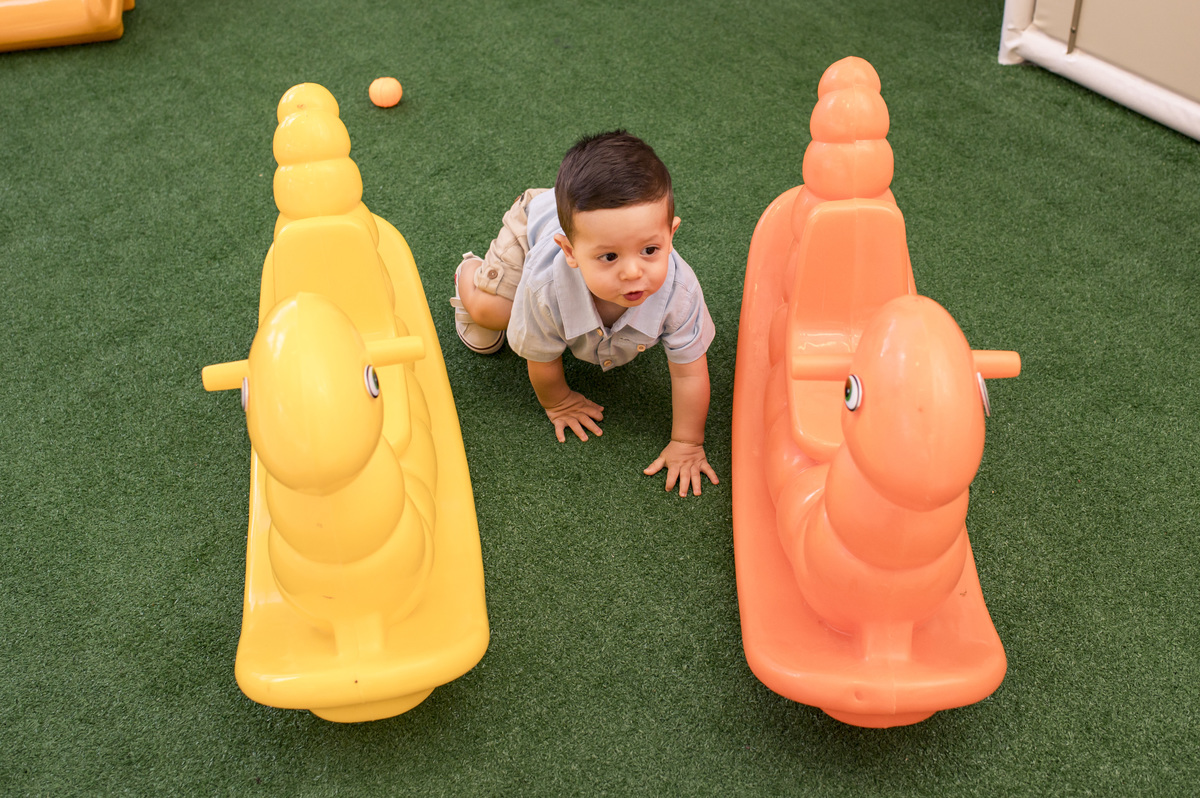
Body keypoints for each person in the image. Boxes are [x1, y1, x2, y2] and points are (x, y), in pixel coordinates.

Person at [450, 131, 718, 497]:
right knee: (491, 312)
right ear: (570, 251)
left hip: (578, 223)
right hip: (535, 223)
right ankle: (470, 275)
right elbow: (540, 357)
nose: (632, 272)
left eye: (650, 249)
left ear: (671, 235)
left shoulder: (680, 291)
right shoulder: (546, 287)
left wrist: (687, 443)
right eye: (610, 256)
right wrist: (558, 401)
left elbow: (690, 373)